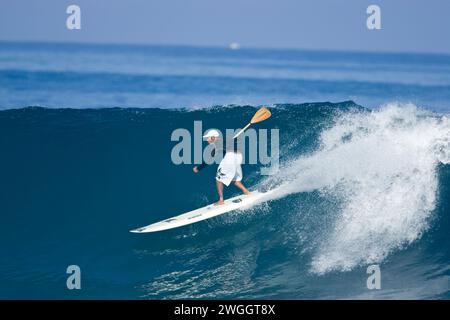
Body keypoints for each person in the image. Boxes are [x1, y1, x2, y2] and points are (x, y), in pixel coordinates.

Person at [193, 129, 250, 205]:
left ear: (213, 137)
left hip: (231, 156)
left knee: (218, 179)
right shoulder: (225, 140)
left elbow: (208, 160)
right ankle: (246, 191)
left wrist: (198, 168)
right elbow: (236, 139)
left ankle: (221, 200)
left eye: (208, 138)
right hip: (239, 156)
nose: (207, 140)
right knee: (234, 179)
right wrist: (237, 137)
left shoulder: (217, 145)